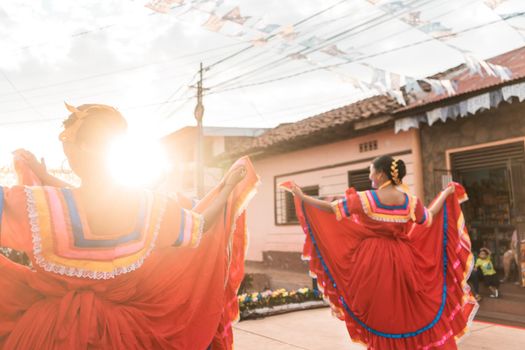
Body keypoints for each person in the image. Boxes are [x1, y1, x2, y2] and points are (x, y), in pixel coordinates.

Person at [0, 103, 259, 349]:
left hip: (50, 331)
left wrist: (42, 176)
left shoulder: (39, 205)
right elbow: (200, 226)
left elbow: (76, 200)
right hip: (124, 333)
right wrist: (225, 190)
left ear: (74, 150)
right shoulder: (147, 208)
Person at [285, 156, 477, 350]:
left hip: (373, 263)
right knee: (407, 311)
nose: (370, 176)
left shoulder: (365, 198)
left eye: (371, 171)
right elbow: (428, 218)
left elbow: (331, 209)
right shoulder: (410, 201)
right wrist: (445, 194)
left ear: (381, 173)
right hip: (404, 260)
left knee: (382, 314)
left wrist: (303, 197)